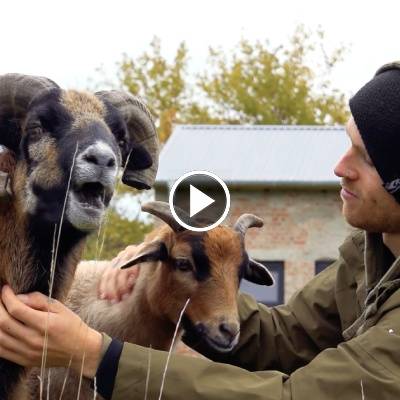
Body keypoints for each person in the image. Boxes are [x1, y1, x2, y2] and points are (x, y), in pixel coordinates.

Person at [1, 62, 400, 400]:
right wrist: (167, 275)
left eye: (366, 158)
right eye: (347, 144)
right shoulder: (370, 255)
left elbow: (294, 395)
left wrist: (95, 355)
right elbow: (283, 338)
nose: (339, 167)